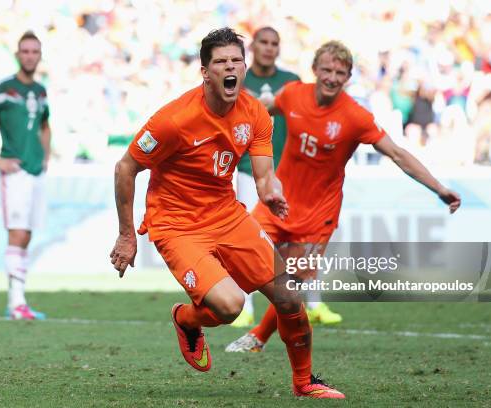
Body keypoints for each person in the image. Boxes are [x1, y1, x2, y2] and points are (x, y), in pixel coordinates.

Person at [110, 28, 345, 399]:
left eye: (236, 60)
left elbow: (265, 175)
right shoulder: (174, 120)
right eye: (221, 61)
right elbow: (125, 168)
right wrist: (126, 235)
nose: (230, 67)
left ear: (245, 67)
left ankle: (304, 383)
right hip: (177, 225)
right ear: (205, 72)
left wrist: (270, 193)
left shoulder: (255, 114)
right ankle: (185, 319)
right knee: (230, 306)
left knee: (289, 296)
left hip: (226, 215)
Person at [225, 40, 461, 353]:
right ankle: (212, 315)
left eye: (340, 72)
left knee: (291, 281)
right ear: (315, 70)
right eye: (327, 70)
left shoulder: (355, 117)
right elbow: (258, 108)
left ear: (348, 76)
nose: (333, 77)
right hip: (277, 203)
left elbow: (397, 154)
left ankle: (258, 337)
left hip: (317, 216)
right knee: (238, 251)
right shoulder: (293, 94)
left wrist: (439, 188)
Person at [232, 26, 342, 328]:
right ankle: (245, 307)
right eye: (264, 42)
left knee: (305, 241)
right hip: (248, 169)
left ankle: (315, 304)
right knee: (248, 238)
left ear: (279, 49)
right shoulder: (237, 79)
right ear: (253, 46)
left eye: (274, 43)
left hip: (290, 176)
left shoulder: (292, 83)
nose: (269, 48)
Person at [0, 31, 51, 320]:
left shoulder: (40, 91)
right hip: (14, 173)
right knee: (16, 233)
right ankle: (16, 302)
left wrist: (46, 156)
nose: (30, 56)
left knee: (26, 234)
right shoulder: (4, 87)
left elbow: (45, 125)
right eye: (25, 51)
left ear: (40, 55)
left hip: (35, 171)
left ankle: (18, 301)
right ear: (17, 54)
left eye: (34, 51)